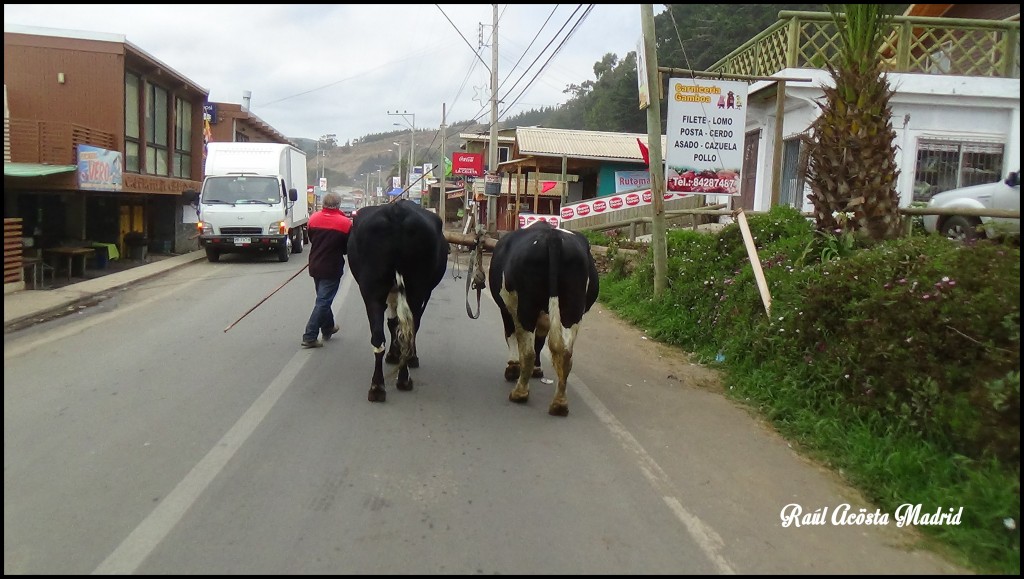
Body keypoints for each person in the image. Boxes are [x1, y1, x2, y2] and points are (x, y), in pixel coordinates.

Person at [301, 191, 353, 348]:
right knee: (323, 301)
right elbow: (346, 248)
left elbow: (312, 239)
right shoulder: (346, 223)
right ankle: (310, 335)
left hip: (315, 265)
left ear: (323, 204)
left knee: (323, 299)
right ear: (338, 205)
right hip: (332, 267)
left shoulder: (313, 219)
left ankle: (328, 327)